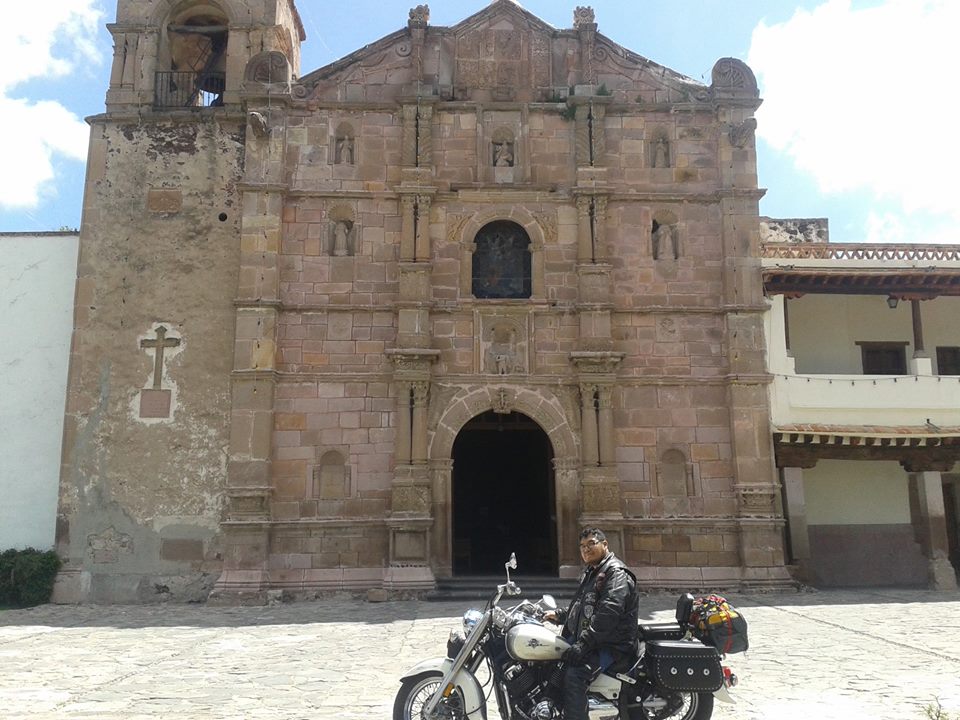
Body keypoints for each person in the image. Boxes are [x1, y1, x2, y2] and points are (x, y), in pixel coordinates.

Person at [544, 528, 639, 720]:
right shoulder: (594, 572)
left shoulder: (616, 573)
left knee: (574, 676)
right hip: (596, 640)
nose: (586, 549)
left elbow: (608, 614)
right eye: (582, 546)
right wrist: (559, 615)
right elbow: (584, 606)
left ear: (605, 545)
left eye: (591, 544)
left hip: (611, 645)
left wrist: (583, 644)